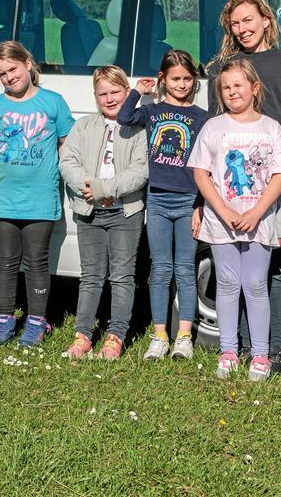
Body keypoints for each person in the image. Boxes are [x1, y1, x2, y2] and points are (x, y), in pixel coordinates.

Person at [206, 0, 281, 374]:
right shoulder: (223, 69)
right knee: (235, 272)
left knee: (273, 267)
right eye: (235, 23)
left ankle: (271, 349)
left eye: (249, 20)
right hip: (231, 188)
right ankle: (241, 348)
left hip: (272, 181)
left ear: (266, 19)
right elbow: (212, 139)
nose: (243, 29)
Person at [190, 59, 281, 381]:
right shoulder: (214, 127)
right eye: (226, 87)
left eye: (238, 85)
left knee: (256, 284)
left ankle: (260, 355)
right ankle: (229, 351)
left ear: (254, 89)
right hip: (222, 222)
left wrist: (256, 212)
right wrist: (224, 211)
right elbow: (200, 172)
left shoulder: (271, 128)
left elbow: (280, 175)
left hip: (259, 220)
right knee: (229, 284)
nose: (233, 91)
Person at [0, 41, 75, 348]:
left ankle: (36, 321)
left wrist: (47, 170)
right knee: (5, 261)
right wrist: (9, 170)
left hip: (40, 199)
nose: (8, 77)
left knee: (36, 262)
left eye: (13, 69)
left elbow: (67, 143)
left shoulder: (53, 102)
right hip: (3, 199)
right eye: (2, 74)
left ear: (28, 64)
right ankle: (4, 319)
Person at [117, 49, 208, 361]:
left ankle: (184, 336)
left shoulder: (201, 117)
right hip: (156, 199)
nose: (181, 84)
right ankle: (159, 336)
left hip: (187, 201)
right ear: (164, 80)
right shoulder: (152, 111)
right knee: (159, 270)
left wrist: (200, 204)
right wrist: (138, 92)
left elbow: (205, 165)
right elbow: (124, 117)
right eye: (175, 79)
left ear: (194, 82)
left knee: (185, 269)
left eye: (186, 79)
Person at [59, 65, 148, 360]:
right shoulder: (84, 126)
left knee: (122, 275)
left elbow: (140, 171)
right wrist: (86, 187)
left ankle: (115, 335)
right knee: (91, 276)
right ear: (95, 97)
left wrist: (104, 188)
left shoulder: (138, 128)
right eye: (103, 94)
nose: (110, 99)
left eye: (115, 92)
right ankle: (83, 334)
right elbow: (67, 159)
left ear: (127, 92)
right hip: (89, 211)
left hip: (125, 211)